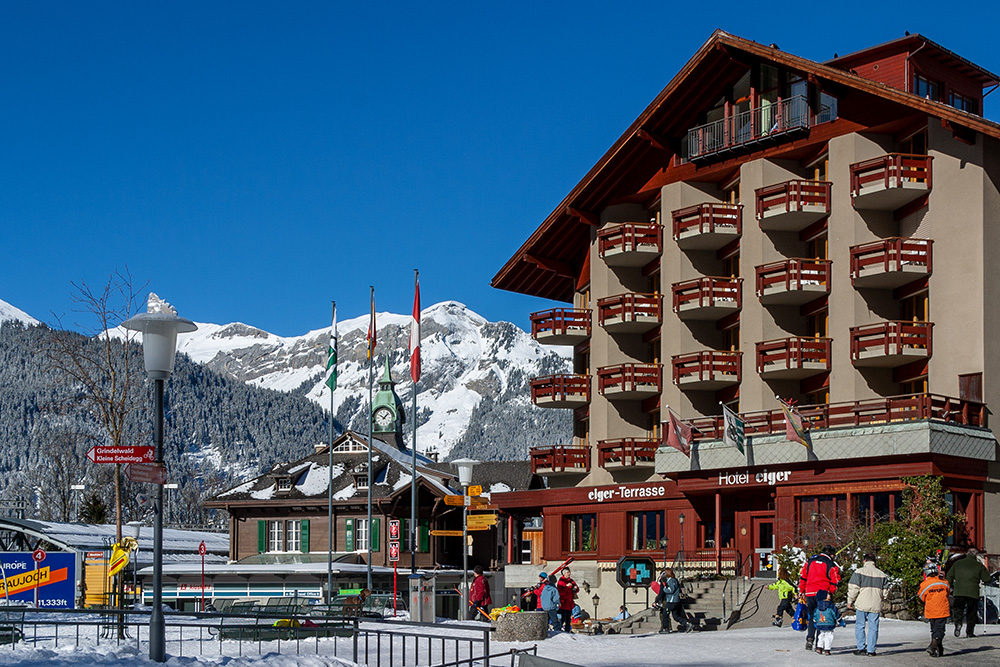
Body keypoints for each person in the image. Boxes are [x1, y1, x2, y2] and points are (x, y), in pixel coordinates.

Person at [798, 545, 841, 652]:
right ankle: (819, 644)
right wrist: (830, 592)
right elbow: (835, 580)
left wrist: (802, 590)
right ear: (831, 555)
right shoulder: (831, 564)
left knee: (813, 615)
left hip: (810, 592)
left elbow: (803, 576)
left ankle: (810, 638)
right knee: (823, 617)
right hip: (823, 593)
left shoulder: (810, 561)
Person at [847, 552, 887, 656]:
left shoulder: (859, 572)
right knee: (873, 627)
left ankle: (861, 648)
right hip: (875, 604)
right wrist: (881, 598)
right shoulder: (881, 574)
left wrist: (850, 600)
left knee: (860, 626)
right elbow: (885, 591)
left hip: (862, 603)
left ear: (864, 561)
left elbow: (853, 588)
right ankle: (871, 650)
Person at [946, 548, 991, 638]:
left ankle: (958, 624)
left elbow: (949, 576)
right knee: (971, 612)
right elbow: (987, 579)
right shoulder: (979, 565)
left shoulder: (958, 564)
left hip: (959, 591)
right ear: (976, 555)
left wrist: (951, 586)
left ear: (967, 554)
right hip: (973, 592)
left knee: (958, 609)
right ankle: (969, 632)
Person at [919, 562, 951, 657]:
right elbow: (948, 592)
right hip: (942, 610)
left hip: (931, 611)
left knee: (934, 630)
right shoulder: (944, 582)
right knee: (940, 630)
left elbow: (921, 597)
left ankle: (937, 649)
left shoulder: (924, 584)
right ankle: (933, 646)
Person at [812, 589, 845, 655]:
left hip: (820, 623)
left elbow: (815, 615)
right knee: (828, 636)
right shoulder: (831, 606)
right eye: (828, 594)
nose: (830, 596)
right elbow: (836, 614)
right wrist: (841, 621)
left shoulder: (817, 607)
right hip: (829, 624)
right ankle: (827, 649)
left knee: (821, 635)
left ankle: (819, 647)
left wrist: (815, 622)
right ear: (824, 596)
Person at [654, 568, 688, 633]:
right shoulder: (673, 580)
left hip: (672, 601)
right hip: (674, 601)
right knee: (675, 616)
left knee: (665, 613)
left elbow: (671, 590)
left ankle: (666, 628)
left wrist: (664, 588)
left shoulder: (671, 580)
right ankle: (686, 624)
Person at [556, 567, 580, 632]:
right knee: (563, 617)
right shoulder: (561, 581)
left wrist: (575, 588)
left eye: (569, 572)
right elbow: (560, 592)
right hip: (563, 603)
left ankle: (567, 630)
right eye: (567, 572)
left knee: (568, 618)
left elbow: (577, 590)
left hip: (569, 603)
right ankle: (559, 629)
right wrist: (567, 587)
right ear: (564, 574)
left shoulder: (571, 580)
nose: (569, 574)